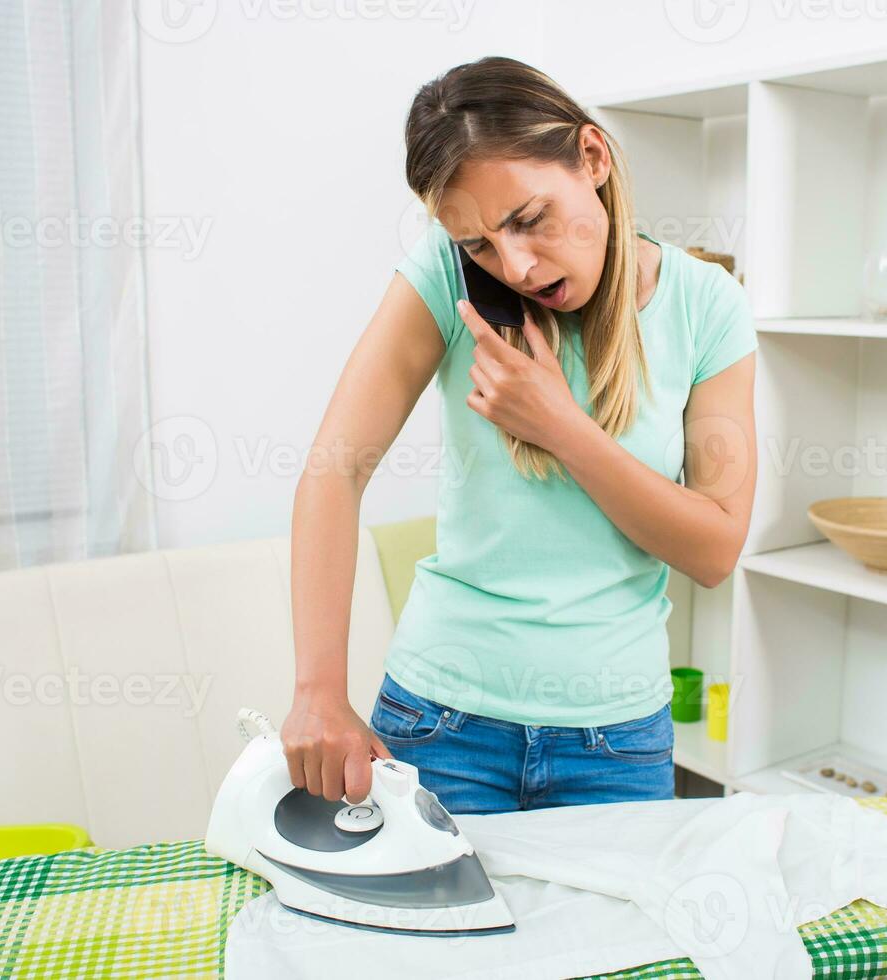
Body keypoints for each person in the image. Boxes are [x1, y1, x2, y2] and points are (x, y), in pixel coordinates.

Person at [281, 55, 758, 815]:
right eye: (479, 245)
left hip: (617, 744)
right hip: (440, 726)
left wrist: (562, 427)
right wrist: (316, 691)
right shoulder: (443, 276)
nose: (517, 267)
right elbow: (333, 472)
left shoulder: (708, 307)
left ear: (593, 158)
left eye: (528, 221)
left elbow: (714, 549)